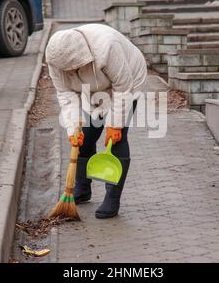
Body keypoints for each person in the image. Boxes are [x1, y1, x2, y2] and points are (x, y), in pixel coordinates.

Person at [46, 24, 147, 219]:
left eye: (74, 67)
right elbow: (66, 95)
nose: (70, 71)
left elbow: (123, 87)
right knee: (85, 135)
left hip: (128, 81)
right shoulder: (55, 59)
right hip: (92, 90)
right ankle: (82, 189)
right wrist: (73, 127)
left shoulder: (107, 47)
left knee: (117, 138)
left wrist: (115, 124)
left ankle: (113, 197)